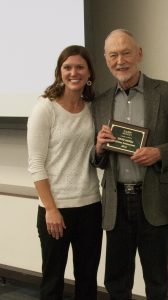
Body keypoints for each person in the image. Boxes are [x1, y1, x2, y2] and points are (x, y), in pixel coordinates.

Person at [90, 29, 168, 300]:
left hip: (155, 198)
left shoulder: (167, 92)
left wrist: (159, 152)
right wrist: (98, 149)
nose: (120, 60)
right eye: (113, 55)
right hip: (116, 201)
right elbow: (96, 158)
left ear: (139, 54)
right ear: (106, 59)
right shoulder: (99, 102)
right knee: (116, 281)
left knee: (156, 281)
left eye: (126, 52)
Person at [27, 45, 102, 300]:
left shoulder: (93, 108)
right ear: (59, 72)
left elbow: (94, 155)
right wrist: (51, 209)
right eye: (67, 67)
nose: (74, 72)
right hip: (55, 210)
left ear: (89, 72)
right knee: (52, 282)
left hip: (91, 205)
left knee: (87, 281)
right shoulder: (45, 108)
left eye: (80, 67)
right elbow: (36, 164)